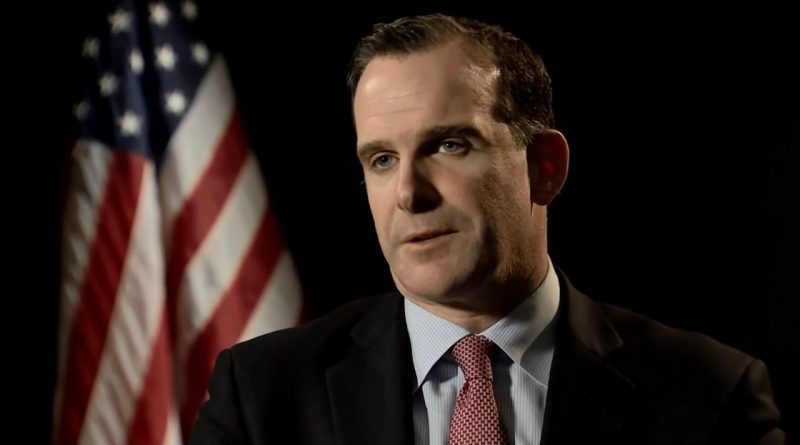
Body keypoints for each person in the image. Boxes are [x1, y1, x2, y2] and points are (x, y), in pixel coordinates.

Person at [189, 13, 785, 445]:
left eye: (449, 145)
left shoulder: (710, 395)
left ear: (544, 168)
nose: (409, 194)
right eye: (382, 159)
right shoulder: (261, 395)